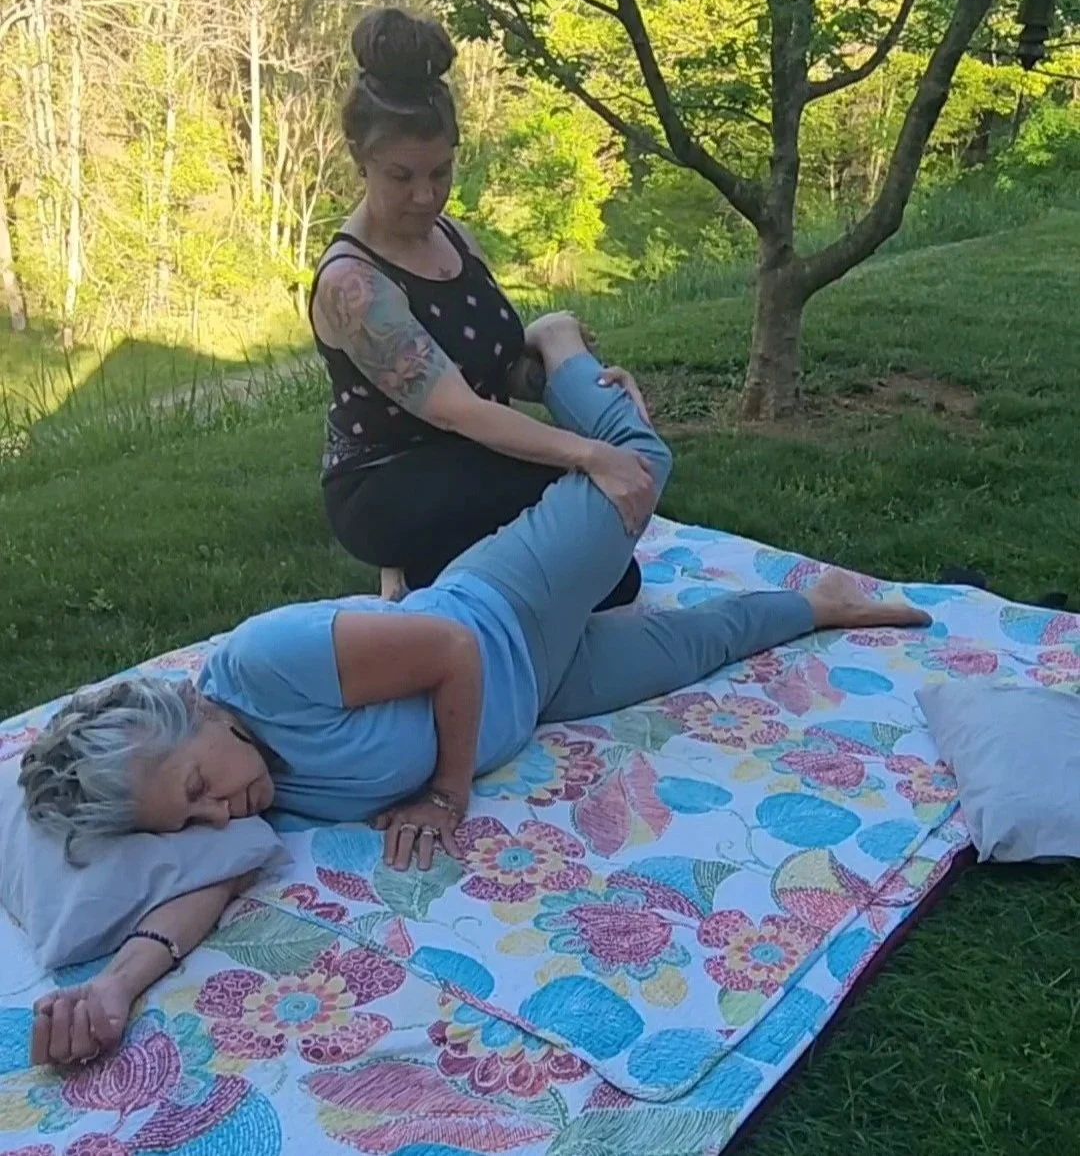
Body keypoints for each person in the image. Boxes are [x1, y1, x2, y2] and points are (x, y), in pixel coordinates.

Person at [21, 313, 931, 1068]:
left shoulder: (262, 666)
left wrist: (447, 792)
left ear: (189, 713)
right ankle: (819, 603)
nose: (216, 814)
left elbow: (452, 647)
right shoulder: (245, 797)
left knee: (635, 466)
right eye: (188, 823)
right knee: (695, 644)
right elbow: (198, 891)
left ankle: (560, 344)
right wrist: (112, 986)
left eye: (194, 789)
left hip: (502, 607)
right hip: (532, 692)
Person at [311, 5, 643, 610]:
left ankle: (432, 583)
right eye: (401, 176)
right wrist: (594, 454)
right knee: (598, 554)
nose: (425, 194)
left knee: (611, 576)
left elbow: (498, 371)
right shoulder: (352, 284)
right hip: (387, 481)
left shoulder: (456, 237)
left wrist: (585, 385)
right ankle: (418, 576)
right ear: (358, 158)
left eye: (441, 171)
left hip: (468, 458)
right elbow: (459, 409)